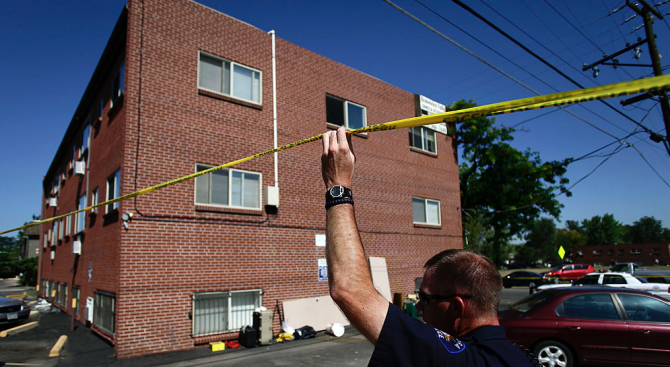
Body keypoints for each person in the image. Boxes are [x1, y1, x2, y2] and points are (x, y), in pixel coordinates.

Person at [321, 126, 535, 366]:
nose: (420, 306)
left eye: (425, 297)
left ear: (456, 307)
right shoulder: (512, 356)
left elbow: (349, 290)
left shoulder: (463, 359)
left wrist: (337, 183)